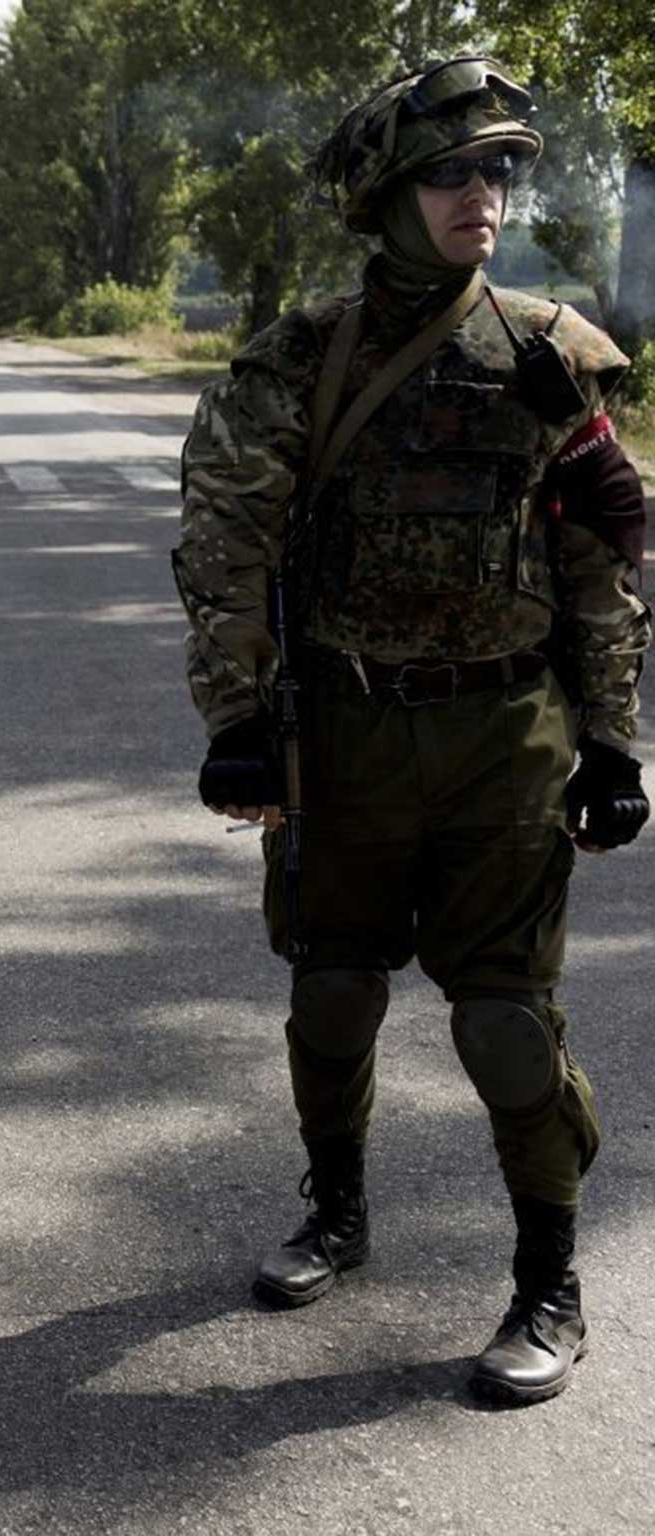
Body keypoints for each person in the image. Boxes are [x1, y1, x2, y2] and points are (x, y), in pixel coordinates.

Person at [173, 60, 648, 1405]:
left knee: (505, 1026)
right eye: (451, 173)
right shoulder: (292, 364)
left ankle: (549, 1284)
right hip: (344, 736)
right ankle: (335, 1211)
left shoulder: (551, 355)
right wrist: (238, 723)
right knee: (332, 991)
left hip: (509, 739)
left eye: (500, 171)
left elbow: (600, 568)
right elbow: (224, 549)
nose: (483, 196)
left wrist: (614, 740)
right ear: (385, 197)